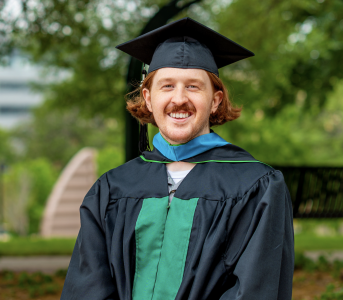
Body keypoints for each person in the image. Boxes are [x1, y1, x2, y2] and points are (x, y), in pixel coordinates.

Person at [61, 17, 294, 300]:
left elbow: (255, 289)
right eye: (167, 86)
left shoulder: (256, 187)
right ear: (148, 98)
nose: (179, 99)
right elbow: (88, 288)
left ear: (216, 100)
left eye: (194, 87)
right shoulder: (112, 188)